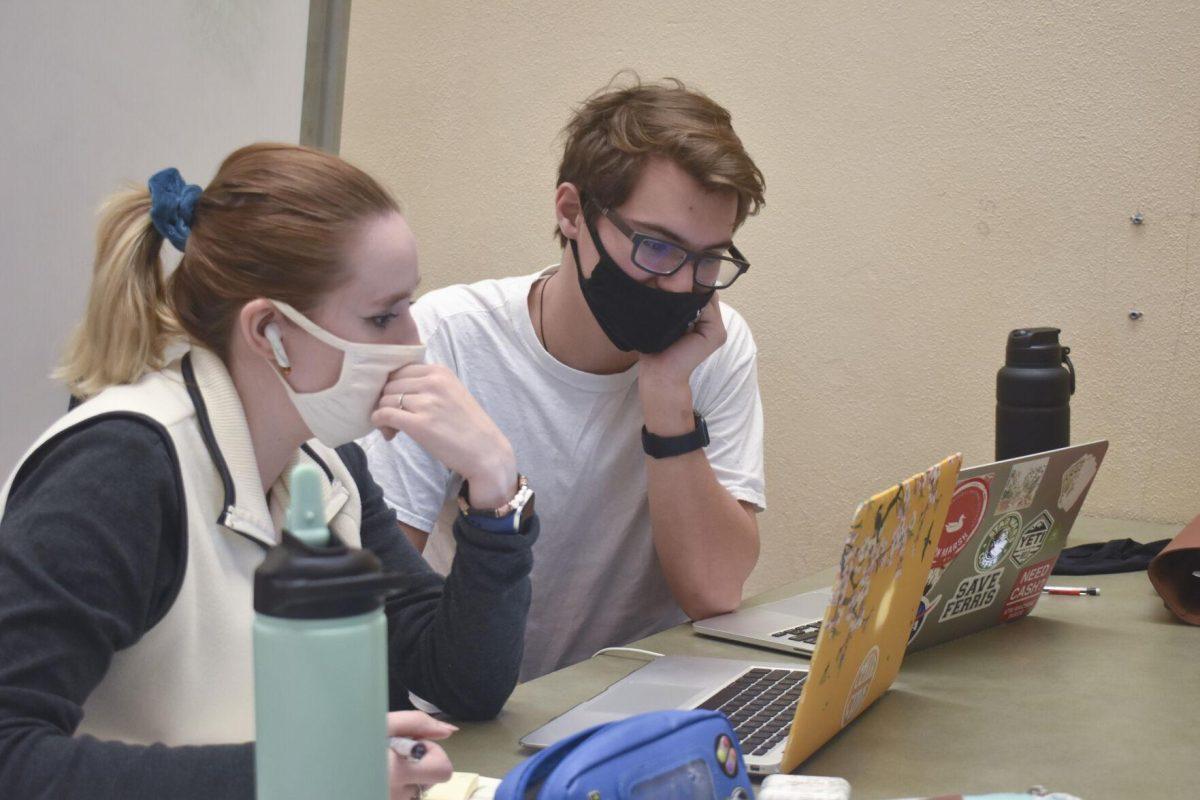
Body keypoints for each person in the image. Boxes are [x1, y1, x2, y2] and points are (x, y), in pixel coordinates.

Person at [0, 144, 538, 799]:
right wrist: (299, 773)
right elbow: (11, 756)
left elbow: (461, 683)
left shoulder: (325, 466)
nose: (411, 342)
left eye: (409, 306)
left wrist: (494, 489)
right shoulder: (121, 469)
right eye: (381, 316)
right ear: (270, 331)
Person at [363, 77, 766, 680]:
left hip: (638, 706)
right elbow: (372, 612)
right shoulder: (447, 337)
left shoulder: (712, 349)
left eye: (710, 258)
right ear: (573, 213)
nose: (684, 284)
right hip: (469, 709)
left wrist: (667, 396)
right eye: (658, 248)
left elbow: (714, 591)